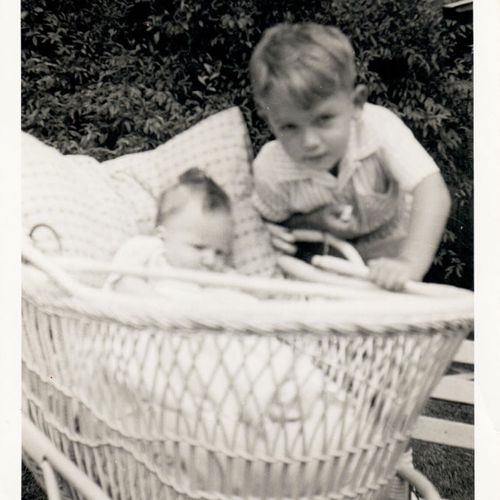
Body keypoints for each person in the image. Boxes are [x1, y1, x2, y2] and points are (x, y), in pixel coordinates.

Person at [249, 22, 451, 291]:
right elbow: (259, 223)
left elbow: (431, 189)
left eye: (324, 119)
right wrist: (284, 228)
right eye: (289, 127)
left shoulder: (377, 128)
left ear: (356, 104)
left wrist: (409, 264)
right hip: (325, 276)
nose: (309, 142)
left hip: (393, 262)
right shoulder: (271, 167)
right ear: (269, 120)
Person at [106, 167, 234, 293]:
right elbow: (123, 284)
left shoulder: (221, 278)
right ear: (162, 235)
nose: (211, 260)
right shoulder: (148, 252)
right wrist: (162, 305)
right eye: (198, 247)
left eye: (220, 252)